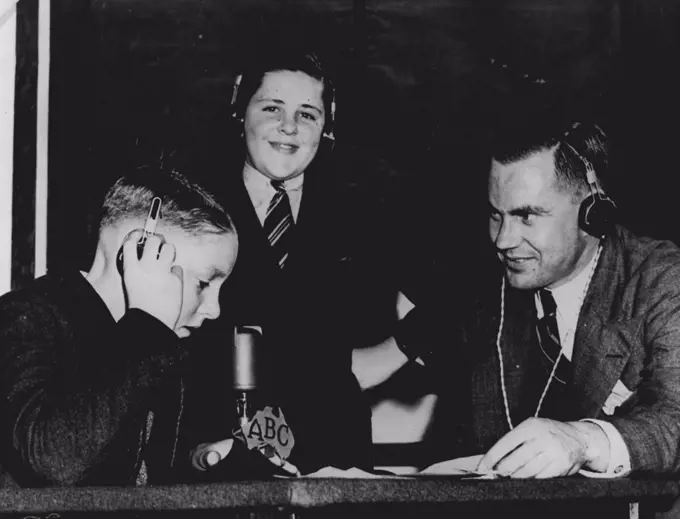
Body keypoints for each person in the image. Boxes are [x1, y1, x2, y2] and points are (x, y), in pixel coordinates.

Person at [360, 119, 680, 480]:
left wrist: (582, 440)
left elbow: (675, 419)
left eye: (526, 216)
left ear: (594, 213)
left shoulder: (663, 282)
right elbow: (368, 366)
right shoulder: (481, 291)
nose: (502, 240)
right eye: (496, 215)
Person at [185, 47, 438, 476]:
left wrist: (393, 352)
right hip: (218, 454)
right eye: (271, 108)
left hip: (335, 460)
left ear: (328, 123)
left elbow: (451, 294)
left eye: (307, 113)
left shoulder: (363, 210)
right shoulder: (192, 203)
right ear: (239, 111)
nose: (289, 127)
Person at [0, 167, 239, 487]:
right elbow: (54, 462)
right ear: (140, 252)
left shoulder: (155, 345)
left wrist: (200, 460)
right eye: (203, 283)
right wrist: (146, 328)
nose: (215, 310)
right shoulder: (26, 319)